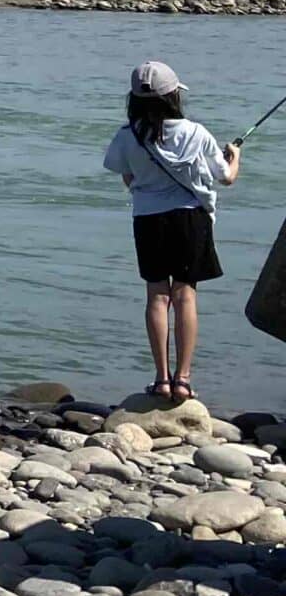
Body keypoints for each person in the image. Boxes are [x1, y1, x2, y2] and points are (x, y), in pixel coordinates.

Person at [104, 59, 240, 404]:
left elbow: (128, 178)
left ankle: (161, 379)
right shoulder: (196, 132)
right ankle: (183, 379)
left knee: (157, 296)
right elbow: (226, 177)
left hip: (148, 219)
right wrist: (235, 156)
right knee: (185, 296)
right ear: (173, 96)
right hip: (190, 219)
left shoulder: (127, 135)